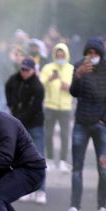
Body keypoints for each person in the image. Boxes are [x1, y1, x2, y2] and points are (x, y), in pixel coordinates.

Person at [61, 37, 106, 211]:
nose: (92, 56)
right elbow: (74, 93)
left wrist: (105, 119)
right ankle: (75, 209)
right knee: (76, 168)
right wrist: (78, 75)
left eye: (96, 53)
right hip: (81, 123)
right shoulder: (79, 66)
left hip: (100, 125)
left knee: (103, 168)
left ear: (101, 55)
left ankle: (102, 208)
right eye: (90, 53)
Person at [5, 58, 47, 204]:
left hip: (35, 125)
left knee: (38, 158)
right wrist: (11, 104)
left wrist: (18, 118)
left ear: (33, 70)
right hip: (20, 125)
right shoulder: (15, 79)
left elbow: (34, 109)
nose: (23, 72)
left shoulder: (38, 86)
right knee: (22, 159)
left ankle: (41, 190)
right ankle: (27, 190)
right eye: (22, 69)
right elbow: (8, 86)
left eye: (27, 70)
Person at [40, 43, 74, 173]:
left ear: (66, 55)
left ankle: (63, 161)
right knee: (48, 134)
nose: (60, 57)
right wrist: (50, 79)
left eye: (62, 55)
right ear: (54, 55)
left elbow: (75, 87)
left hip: (65, 107)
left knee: (65, 135)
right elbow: (39, 84)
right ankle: (49, 160)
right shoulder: (48, 68)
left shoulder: (71, 69)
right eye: (58, 55)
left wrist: (66, 85)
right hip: (50, 105)